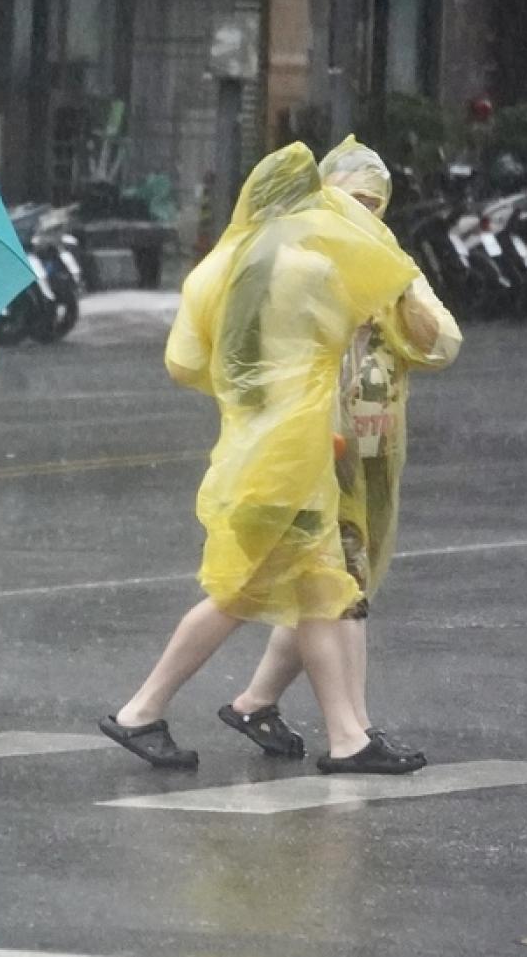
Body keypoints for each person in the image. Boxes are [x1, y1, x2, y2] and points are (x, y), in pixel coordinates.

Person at [99, 142, 427, 775]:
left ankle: (347, 738)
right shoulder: (311, 266)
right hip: (295, 454)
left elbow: (183, 364)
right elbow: (387, 296)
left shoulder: (212, 271)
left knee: (319, 590)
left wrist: (252, 387)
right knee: (241, 593)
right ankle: (141, 710)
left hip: (248, 448)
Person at [218, 136, 461, 761]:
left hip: (375, 452)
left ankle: (253, 703)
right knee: (335, 587)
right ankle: (354, 732)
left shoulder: (390, 263)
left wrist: (395, 297)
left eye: (376, 204)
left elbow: (442, 345)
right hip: (313, 449)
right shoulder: (300, 258)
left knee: (324, 589)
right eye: (354, 200)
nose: (366, 214)